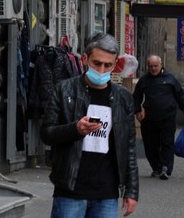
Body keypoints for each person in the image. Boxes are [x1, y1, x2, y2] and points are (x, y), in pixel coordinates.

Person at [40, 33, 138, 217]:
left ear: (115, 64)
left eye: (108, 65)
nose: (101, 70)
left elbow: (129, 146)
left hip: (107, 193)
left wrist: (132, 191)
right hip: (70, 188)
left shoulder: (123, 97)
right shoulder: (64, 89)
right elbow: (46, 133)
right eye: (96, 63)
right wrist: (75, 129)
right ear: (85, 59)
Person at [133, 54, 184, 180]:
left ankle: (166, 168)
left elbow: (180, 95)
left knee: (167, 143)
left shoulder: (170, 78)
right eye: (151, 66)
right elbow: (136, 96)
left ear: (161, 65)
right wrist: (137, 111)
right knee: (151, 145)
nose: (153, 69)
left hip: (168, 117)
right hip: (149, 118)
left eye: (156, 66)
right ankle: (156, 167)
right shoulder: (144, 80)